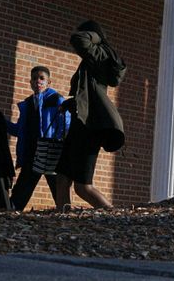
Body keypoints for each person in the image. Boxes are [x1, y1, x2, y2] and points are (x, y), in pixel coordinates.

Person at [53, 20, 127, 210]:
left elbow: (77, 39)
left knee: (83, 186)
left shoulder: (100, 54)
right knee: (62, 176)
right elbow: (90, 92)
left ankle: (113, 216)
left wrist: (95, 36)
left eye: (85, 32)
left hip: (90, 127)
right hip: (81, 123)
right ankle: (63, 218)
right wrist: (70, 103)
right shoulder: (94, 58)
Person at [7, 65, 70, 211]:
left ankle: (66, 215)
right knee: (22, 188)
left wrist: (60, 142)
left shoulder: (56, 100)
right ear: (30, 82)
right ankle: (12, 212)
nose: (38, 81)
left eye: (42, 78)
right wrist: (2, 123)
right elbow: (20, 130)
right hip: (31, 152)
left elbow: (66, 124)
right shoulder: (28, 104)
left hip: (51, 151)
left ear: (49, 82)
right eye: (34, 78)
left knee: (57, 187)